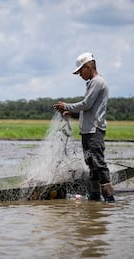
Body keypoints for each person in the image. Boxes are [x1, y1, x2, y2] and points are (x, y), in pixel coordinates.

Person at [53, 52, 115, 202]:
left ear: (88, 67)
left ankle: (110, 198)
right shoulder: (92, 83)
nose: (80, 75)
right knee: (91, 164)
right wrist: (72, 114)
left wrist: (67, 105)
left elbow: (86, 104)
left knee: (98, 163)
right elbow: (89, 111)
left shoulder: (97, 82)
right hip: (87, 131)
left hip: (94, 131)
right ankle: (95, 197)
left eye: (80, 71)